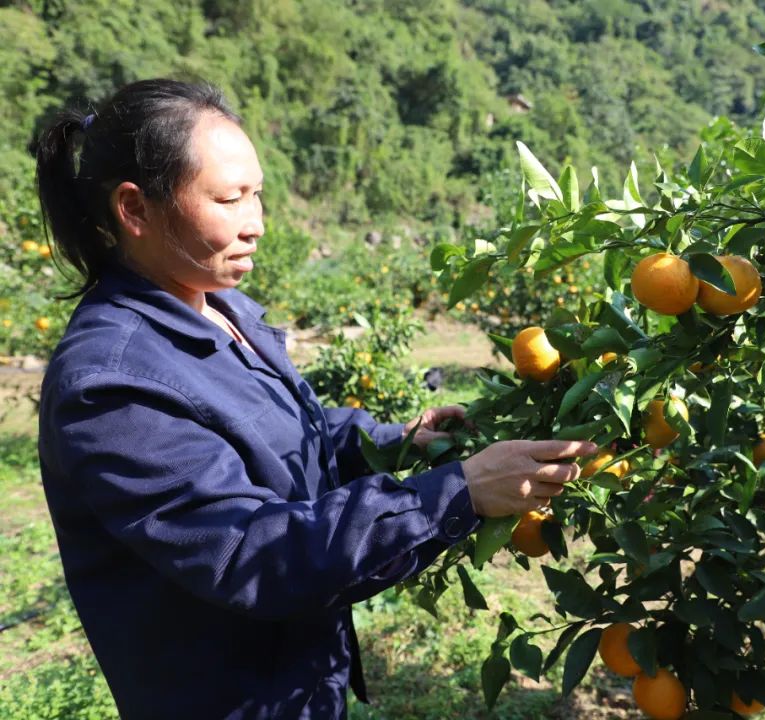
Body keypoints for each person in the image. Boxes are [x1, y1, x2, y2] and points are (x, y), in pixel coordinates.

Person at [34, 78, 596, 720]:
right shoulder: (110, 385)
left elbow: (279, 430)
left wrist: (396, 441)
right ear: (134, 210)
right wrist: (458, 491)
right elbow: (248, 552)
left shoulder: (218, 308)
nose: (257, 223)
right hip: (229, 697)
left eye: (258, 195)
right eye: (229, 199)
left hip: (301, 673)